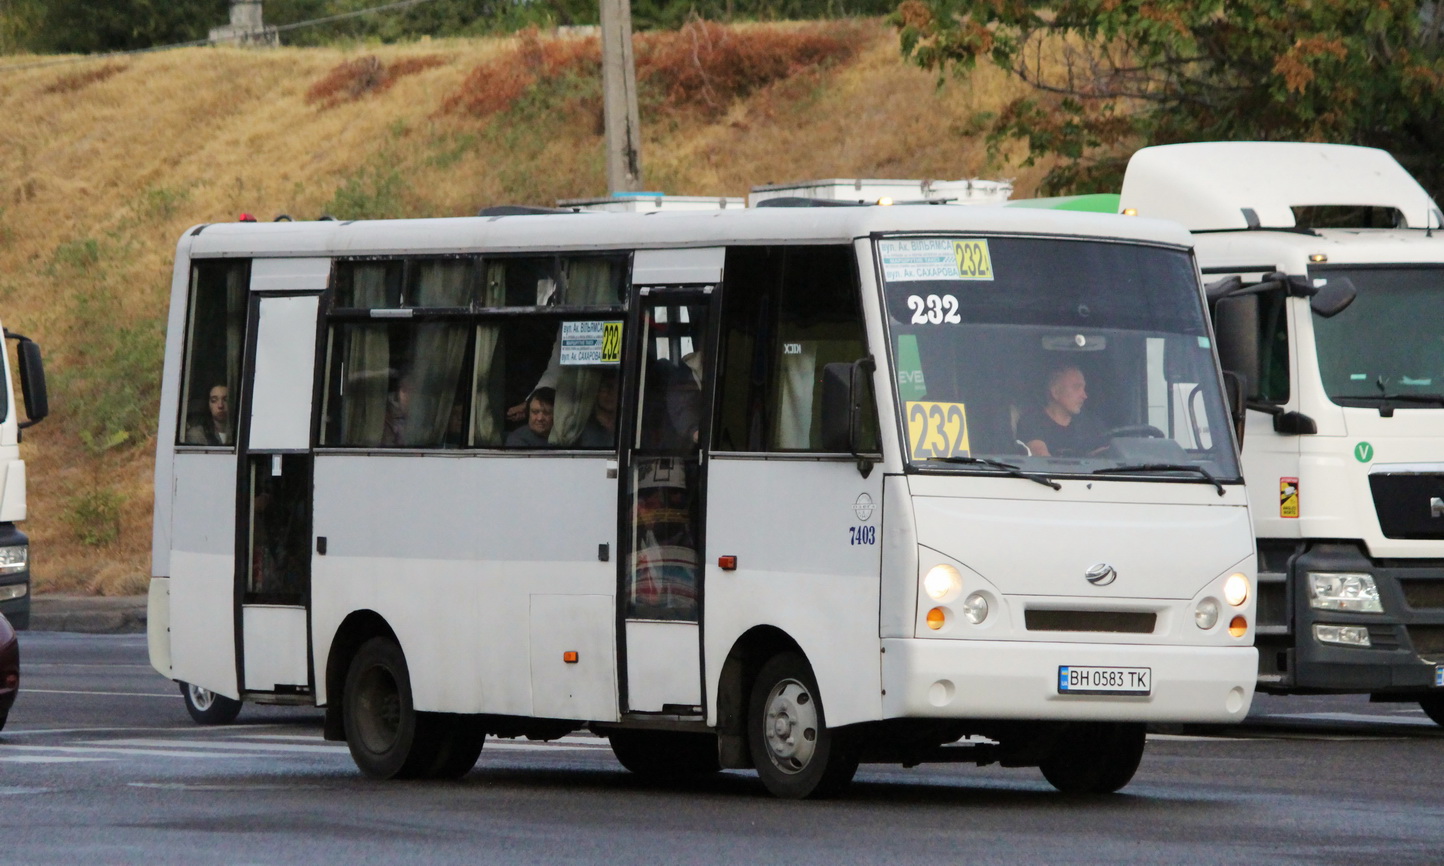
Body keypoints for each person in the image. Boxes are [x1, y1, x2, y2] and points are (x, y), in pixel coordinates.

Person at [1017, 364, 1107, 457]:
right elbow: (1041, 456)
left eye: (1083, 388)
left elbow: (1106, 456)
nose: (1084, 396)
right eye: (1076, 387)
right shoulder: (1032, 421)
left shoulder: (1092, 424)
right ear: (1055, 392)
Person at [577, 372, 619, 448]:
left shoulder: (629, 426)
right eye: (604, 389)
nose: (609, 394)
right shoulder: (582, 427)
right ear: (596, 393)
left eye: (614, 388)